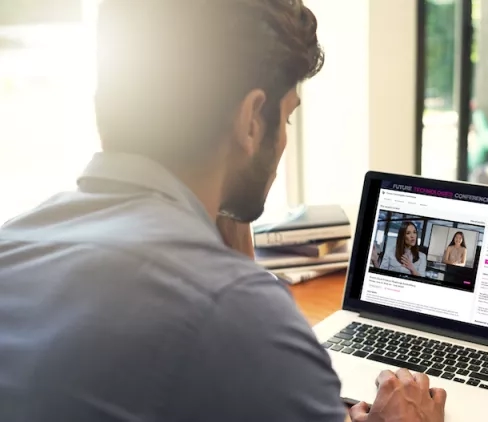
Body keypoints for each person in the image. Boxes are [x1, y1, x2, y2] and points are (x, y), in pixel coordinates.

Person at [0, 1, 446, 421]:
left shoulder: (14, 245)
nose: (284, 138)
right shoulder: (243, 320)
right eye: (286, 118)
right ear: (252, 119)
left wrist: (230, 257)